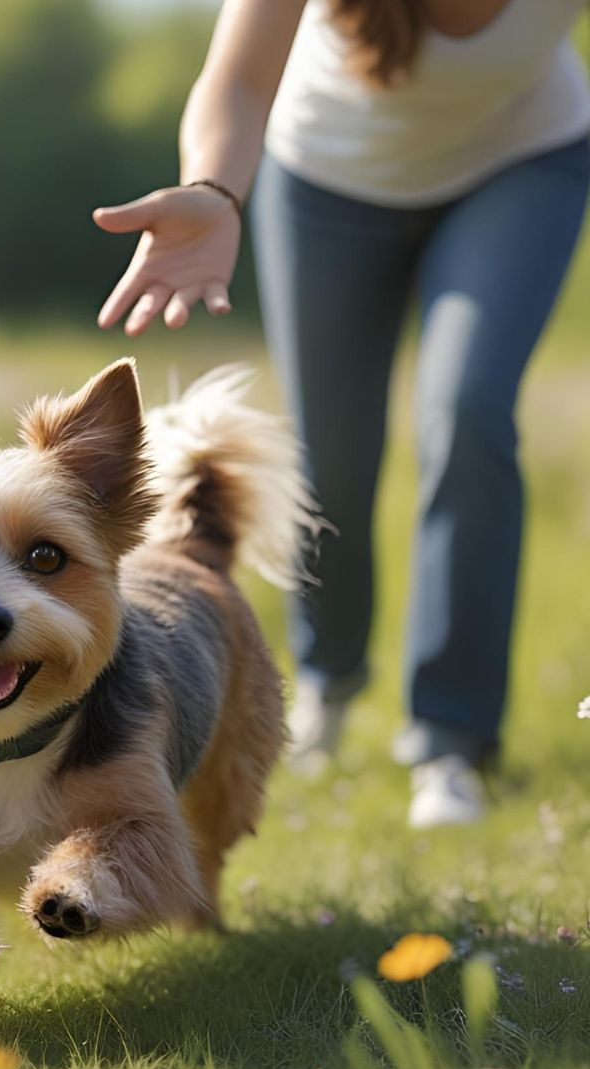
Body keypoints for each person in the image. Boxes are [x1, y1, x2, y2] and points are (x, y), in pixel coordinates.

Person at [94, 0, 590, 827]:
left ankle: (450, 737)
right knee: (336, 452)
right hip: (327, 184)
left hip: (522, 165)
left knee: (466, 410)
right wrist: (214, 189)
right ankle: (328, 679)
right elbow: (240, 82)